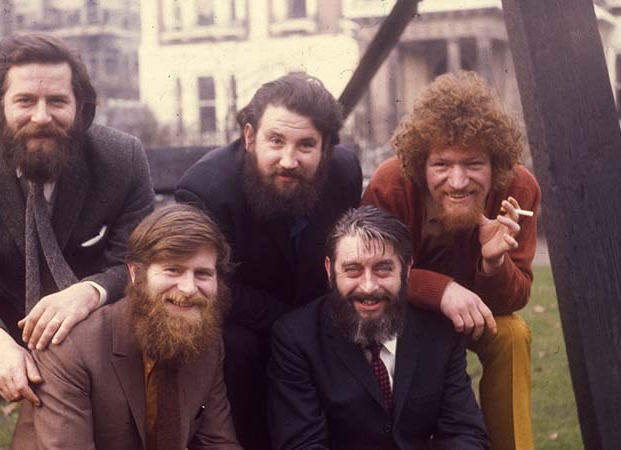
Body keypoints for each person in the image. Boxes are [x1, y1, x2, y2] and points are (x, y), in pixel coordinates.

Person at [0, 33, 154, 450]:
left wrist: (91, 291)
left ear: (80, 107)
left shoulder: (123, 158)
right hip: (5, 305)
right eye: (26, 101)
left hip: (92, 310)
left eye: (58, 102)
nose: (42, 117)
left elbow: (137, 260)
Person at [175, 73, 363, 449]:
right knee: (234, 346)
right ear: (249, 137)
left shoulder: (344, 173)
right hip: (246, 323)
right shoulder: (207, 189)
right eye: (275, 141)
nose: (288, 161)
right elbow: (213, 288)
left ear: (326, 148)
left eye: (306, 144)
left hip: (319, 314)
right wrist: (293, 324)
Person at [362, 71, 540, 450]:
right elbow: (369, 271)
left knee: (513, 335)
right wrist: (439, 290)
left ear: (496, 162)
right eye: (441, 165)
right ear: (419, 163)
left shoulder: (519, 189)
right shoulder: (389, 184)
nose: (458, 182)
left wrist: (495, 266)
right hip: (403, 315)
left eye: (473, 164)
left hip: (477, 312)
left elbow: (516, 296)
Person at [10, 204, 243, 450]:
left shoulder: (206, 341)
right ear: (136, 274)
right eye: (173, 270)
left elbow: (218, 442)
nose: (188, 288)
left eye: (203, 274)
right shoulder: (69, 348)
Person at [268, 206, 489, 449]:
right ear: (330, 270)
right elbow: (303, 445)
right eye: (353, 270)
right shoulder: (296, 339)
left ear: (406, 270)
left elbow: (465, 434)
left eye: (383, 269)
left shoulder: (439, 331)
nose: (369, 287)